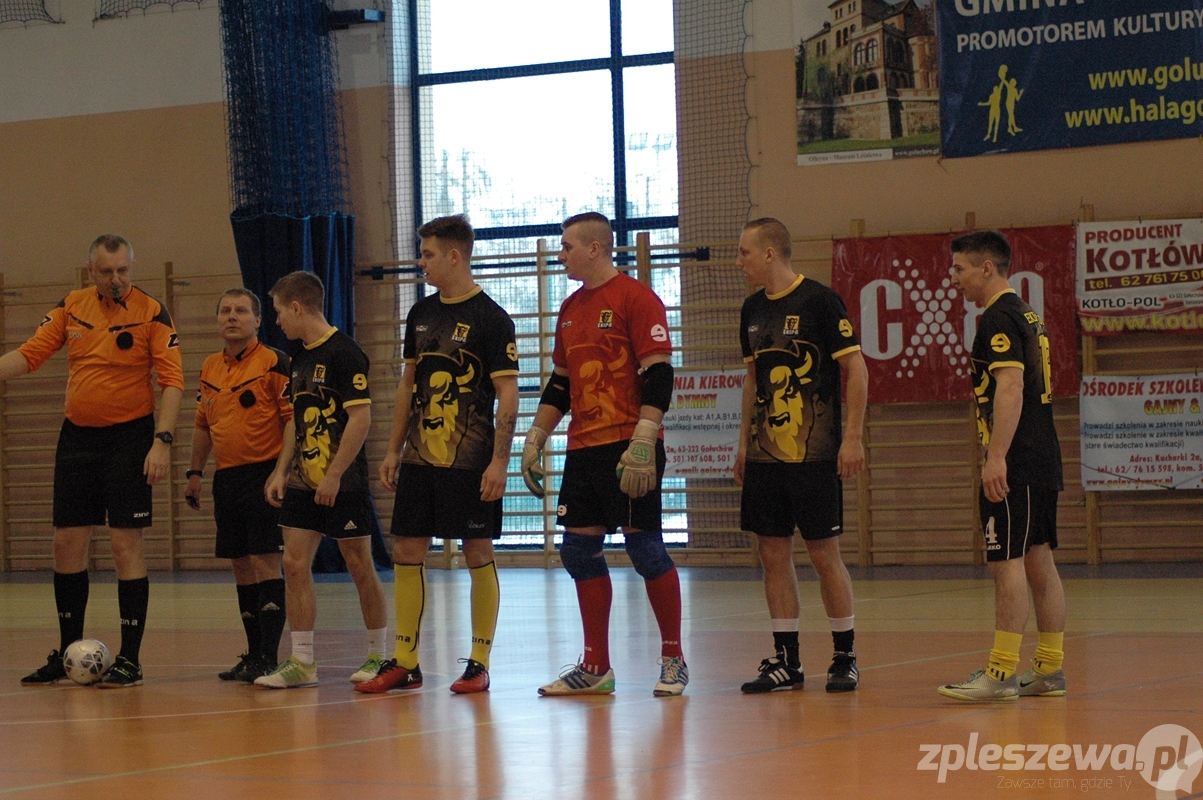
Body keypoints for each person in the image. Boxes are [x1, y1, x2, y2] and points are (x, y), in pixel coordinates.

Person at [0, 234, 184, 688]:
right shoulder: (71, 305)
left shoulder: (153, 311)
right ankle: (68, 653)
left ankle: (130, 659)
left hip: (130, 439)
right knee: (66, 543)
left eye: (123, 270)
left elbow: (173, 382)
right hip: (78, 438)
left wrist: (162, 441)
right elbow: (30, 354)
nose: (116, 279)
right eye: (107, 271)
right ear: (91, 271)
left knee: (125, 546)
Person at [522, 212, 687, 697]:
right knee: (577, 551)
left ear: (594, 248)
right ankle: (595, 667)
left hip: (629, 446)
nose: (561, 254)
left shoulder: (636, 298)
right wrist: (534, 438)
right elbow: (560, 384)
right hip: (584, 448)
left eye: (567, 246)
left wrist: (645, 439)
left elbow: (659, 374)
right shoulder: (570, 309)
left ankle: (674, 659)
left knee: (645, 549)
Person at [355, 215, 519, 696]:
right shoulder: (421, 314)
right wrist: (393, 449)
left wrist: (500, 462)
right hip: (420, 460)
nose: (421, 262)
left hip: (471, 461)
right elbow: (408, 385)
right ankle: (406, 661)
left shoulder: (492, 319)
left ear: (454, 256)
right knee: (407, 549)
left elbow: (508, 395)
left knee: (477, 551)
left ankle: (479, 663)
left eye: (428, 254)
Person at [732, 217, 868, 694]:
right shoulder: (751, 309)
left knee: (823, 553)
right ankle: (786, 661)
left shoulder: (820, 301)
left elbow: (856, 368)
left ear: (770, 253)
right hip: (765, 456)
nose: (739, 261)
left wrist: (853, 437)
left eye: (745, 252)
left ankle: (844, 656)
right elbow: (753, 380)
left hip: (815, 455)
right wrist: (743, 442)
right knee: (772, 553)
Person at [939, 230, 1066, 701]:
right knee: (1038, 560)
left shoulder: (997, 317)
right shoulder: (1027, 313)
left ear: (986, 268)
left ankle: (1000, 674)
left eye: (959, 269)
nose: (954, 278)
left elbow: (1010, 387)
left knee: (1006, 563)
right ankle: (1049, 668)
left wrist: (996, 458)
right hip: (1042, 455)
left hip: (1017, 462)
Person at [257, 271, 389, 689]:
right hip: (302, 482)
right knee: (294, 564)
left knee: (359, 564)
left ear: (297, 308)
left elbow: (360, 418)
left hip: (342, 484)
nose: (277, 320)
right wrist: (281, 471)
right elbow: (296, 422)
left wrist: (333, 475)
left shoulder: (345, 353)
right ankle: (302, 661)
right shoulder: (298, 358)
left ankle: (378, 655)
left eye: (279, 311)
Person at [185, 288, 291, 683]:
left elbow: (292, 420)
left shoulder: (274, 361)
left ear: (258, 320)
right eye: (225, 310)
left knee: (264, 561)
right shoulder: (210, 366)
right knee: (240, 565)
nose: (232, 317)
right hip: (227, 478)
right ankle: (253, 654)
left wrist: (281, 472)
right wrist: (195, 473)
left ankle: (269, 656)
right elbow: (202, 425)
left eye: (241, 311)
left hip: (264, 475)